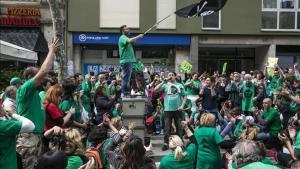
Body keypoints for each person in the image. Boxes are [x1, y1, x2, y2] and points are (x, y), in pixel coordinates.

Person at [16, 37, 60, 169]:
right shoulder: (25, 89)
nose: (44, 79)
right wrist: (51, 50)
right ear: (30, 78)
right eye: (39, 77)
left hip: (36, 137)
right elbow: (44, 71)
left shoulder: (35, 93)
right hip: (28, 139)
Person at [154, 72, 187, 151]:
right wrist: (163, 82)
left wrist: (182, 105)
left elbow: (185, 95)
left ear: (175, 76)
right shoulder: (165, 85)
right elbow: (155, 90)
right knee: (167, 128)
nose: (171, 76)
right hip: (167, 110)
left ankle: (180, 144)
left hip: (177, 110)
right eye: (169, 75)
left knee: (179, 127)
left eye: (172, 75)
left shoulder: (180, 85)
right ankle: (166, 143)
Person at [118, 25, 144, 97]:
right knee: (126, 78)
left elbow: (131, 41)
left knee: (127, 78)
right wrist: (138, 36)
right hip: (126, 60)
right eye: (127, 29)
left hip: (128, 61)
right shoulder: (122, 37)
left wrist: (137, 38)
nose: (129, 30)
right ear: (123, 31)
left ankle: (126, 93)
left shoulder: (125, 38)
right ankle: (125, 93)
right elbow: (130, 40)